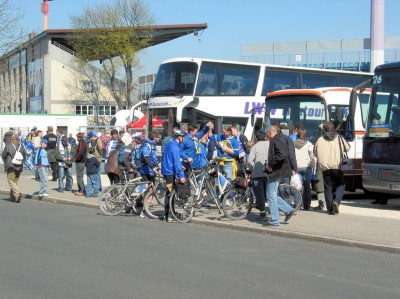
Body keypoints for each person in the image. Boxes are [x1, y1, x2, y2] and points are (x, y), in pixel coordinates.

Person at [314, 121, 350, 215]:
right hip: (337, 166)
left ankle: (330, 209)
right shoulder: (339, 138)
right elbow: (348, 148)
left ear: (324, 129)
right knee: (341, 185)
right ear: (334, 129)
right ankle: (336, 202)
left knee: (327, 187)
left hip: (325, 168)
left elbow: (315, 153)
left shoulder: (319, 140)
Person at [265, 125, 295, 226]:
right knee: (271, 194)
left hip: (277, 170)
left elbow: (281, 155)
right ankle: (288, 210)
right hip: (280, 170)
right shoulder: (280, 138)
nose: (267, 136)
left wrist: (271, 165)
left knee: (271, 195)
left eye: (267, 134)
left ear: (270, 133)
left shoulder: (276, 140)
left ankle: (275, 220)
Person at [161, 129, 186, 222]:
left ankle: (171, 212)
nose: (184, 139)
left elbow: (171, 159)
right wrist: (181, 175)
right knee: (169, 193)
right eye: (183, 137)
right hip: (169, 172)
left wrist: (180, 168)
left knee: (170, 192)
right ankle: (167, 215)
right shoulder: (175, 147)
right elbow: (176, 161)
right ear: (179, 137)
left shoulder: (171, 144)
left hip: (168, 170)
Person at [248, 131, 269, 221]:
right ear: (265, 137)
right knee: (270, 194)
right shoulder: (270, 144)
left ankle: (263, 213)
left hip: (257, 173)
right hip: (269, 173)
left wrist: (253, 167)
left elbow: (249, 161)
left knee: (259, 194)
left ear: (256, 138)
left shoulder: (255, 147)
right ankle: (274, 211)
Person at [293, 128, 316, 210]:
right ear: (305, 135)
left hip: (296, 167)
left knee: (297, 186)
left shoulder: (293, 144)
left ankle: (297, 204)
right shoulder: (309, 144)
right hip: (307, 167)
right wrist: (313, 166)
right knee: (307, 187)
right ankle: (307, 205)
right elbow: (312, 156)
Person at [2, 134, 26, 203]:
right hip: (19, 166)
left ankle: (18, 192)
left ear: (11, 140)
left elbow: (4, 155)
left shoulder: (8, 146)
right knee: (15, 182)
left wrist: (5, 161)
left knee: (10, 181)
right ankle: (13, 197)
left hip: (11, 165)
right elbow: (24, 157)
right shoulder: (22, 147)